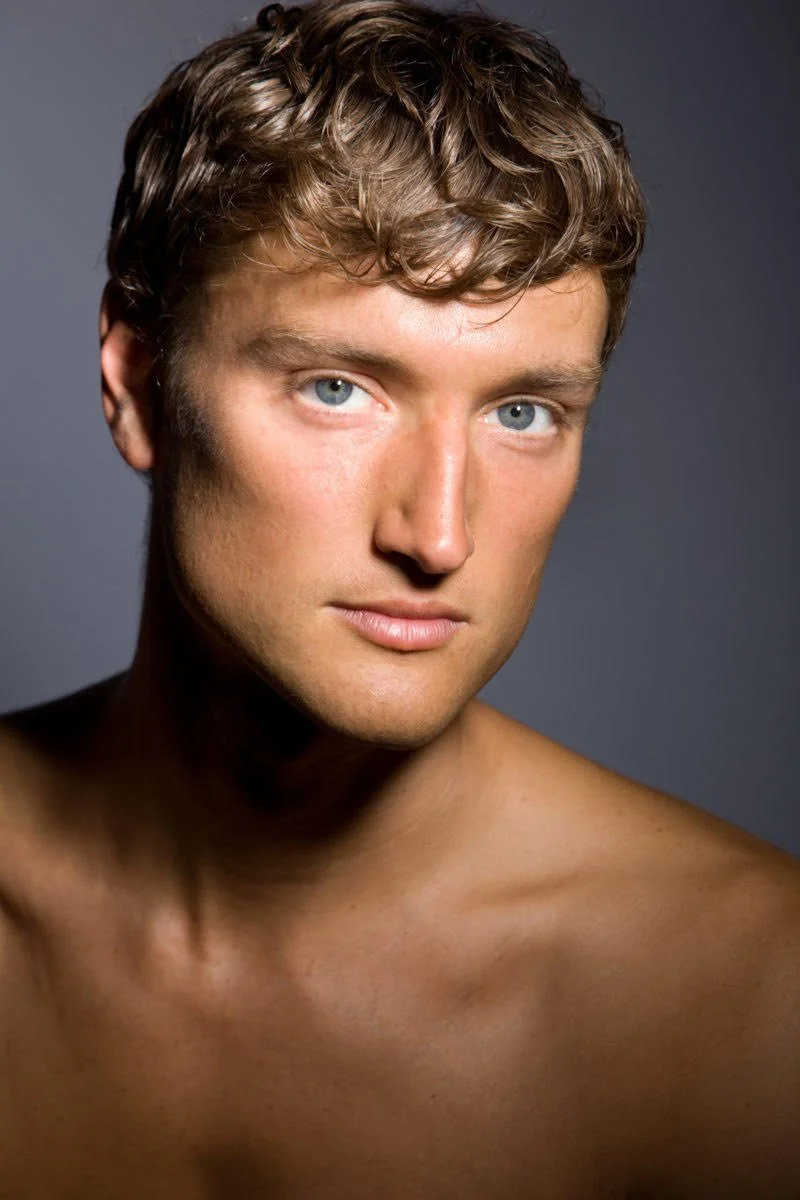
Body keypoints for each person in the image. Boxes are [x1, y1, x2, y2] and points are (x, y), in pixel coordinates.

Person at [0, 0, 797, 1194]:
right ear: (140, 385)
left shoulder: (746, 999)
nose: (437, 536)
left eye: (521, 412)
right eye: (337, 388)